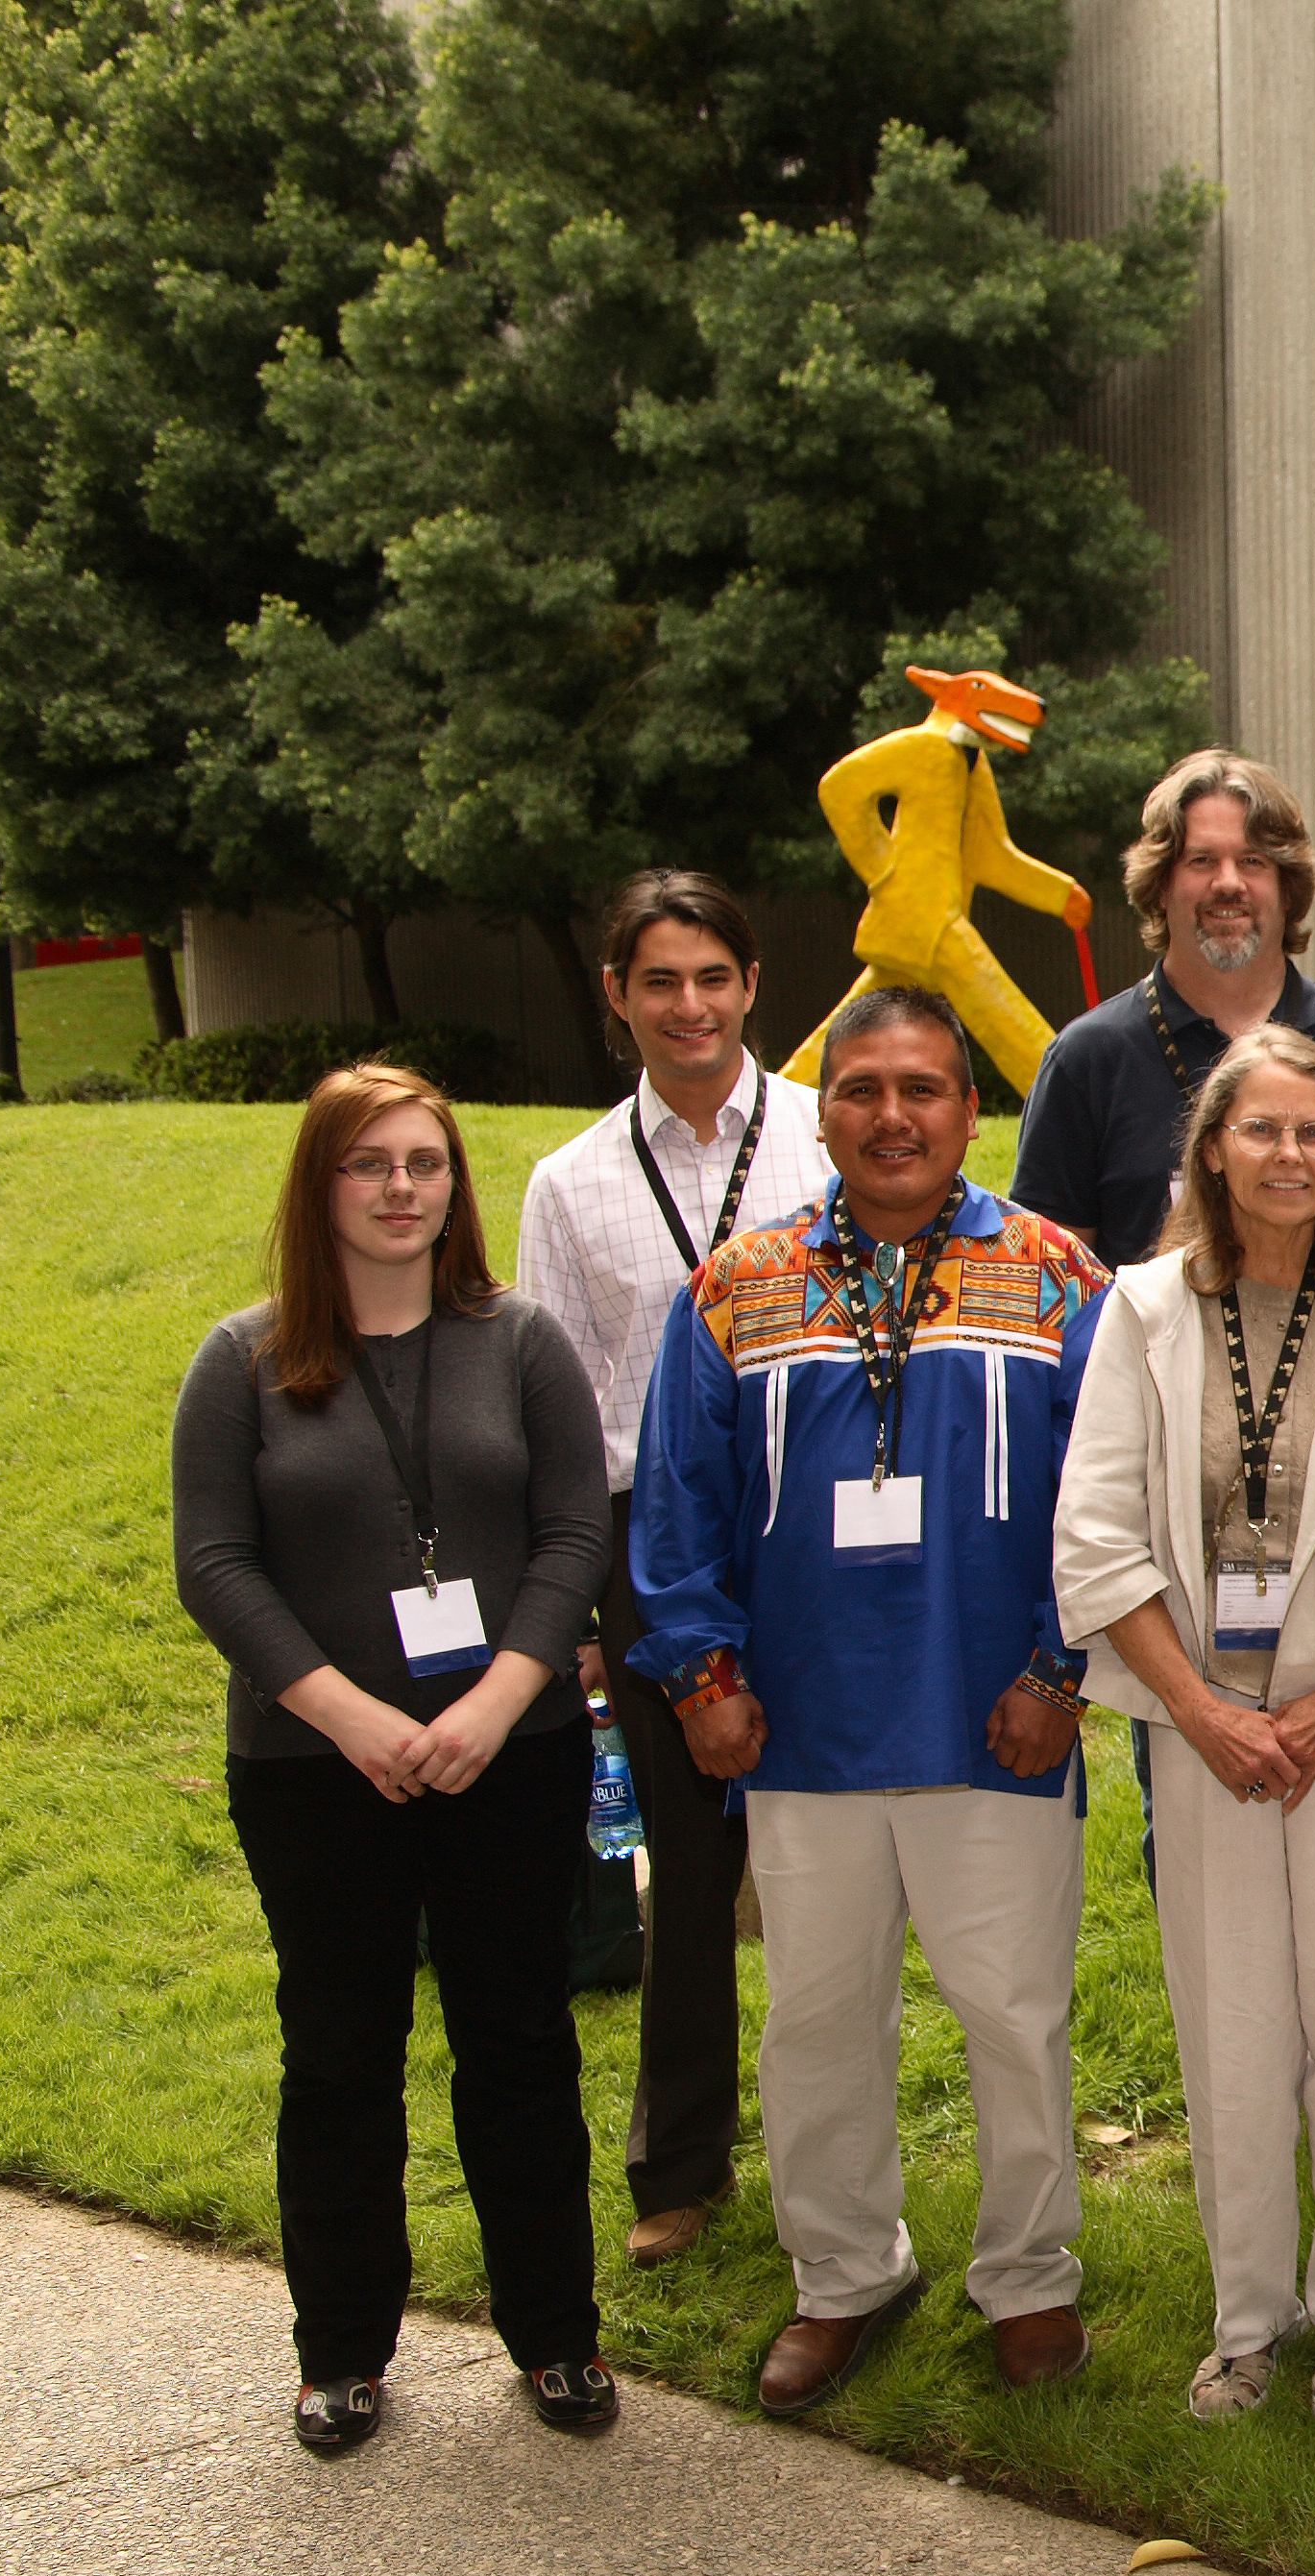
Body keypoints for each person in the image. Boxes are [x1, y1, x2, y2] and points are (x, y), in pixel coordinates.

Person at [629, 986, 1113, 2414]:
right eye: (862, 1090)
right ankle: (844, 2273)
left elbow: (1109, 1501)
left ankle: (1028, 2277)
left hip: (997, 1724)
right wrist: (704, 1679)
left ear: (972, 1109)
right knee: (818, 2019)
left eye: (925, 1088)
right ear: (821, 1105)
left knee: (1014, 2015)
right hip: (800, 1729)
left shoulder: (1058, 1276)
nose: (892, 1116)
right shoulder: (737, 1286)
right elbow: (675, 1507)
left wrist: (1056, 1671)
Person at [174, 1066, 616, 2452]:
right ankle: (341, 2350)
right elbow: (215, 1564)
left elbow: (572, 1537)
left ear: (454, 1185)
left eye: (424, 1162)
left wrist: (497, 1700)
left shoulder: (522, 1343)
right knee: (341, 2053)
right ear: (320, 1185)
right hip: (317, 1770)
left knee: (521, 2042)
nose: (401, 1188)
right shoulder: (239, 1361)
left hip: (513, 1752)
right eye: (368, 1165)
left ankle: (555, 2337)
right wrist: (349, 1715)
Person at [1056, 1027, 1315, 2420]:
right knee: (1230, 2020)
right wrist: (1202, 1713)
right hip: (1205, 1732)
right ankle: (1248, 2317)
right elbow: (1097, 1535)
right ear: (1213, 1151)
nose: (1290, 1156)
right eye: (1263, 1131)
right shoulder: (1143, 1310)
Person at [515, 869, 832, 2267]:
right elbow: (561, 1413)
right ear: (616, 999)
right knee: (691, 1880)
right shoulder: (571, 1184)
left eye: (713, 976)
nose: (690, 1005)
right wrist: (593, 1608)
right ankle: (681, 2164)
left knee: (827, 1865)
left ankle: (837, 2153)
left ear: (753, 984)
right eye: (660, 982)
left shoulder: (836, 1137)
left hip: (826, 1550)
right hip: (662, 1560)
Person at [1011, 749, 1315, 1265]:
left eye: (1252, 861)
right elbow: (1047, 1283)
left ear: (1287, 889)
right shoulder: (1086, 1061)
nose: (1229, 883)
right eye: (1202, 861)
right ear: (1160, 886)